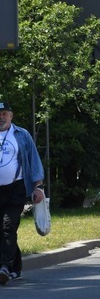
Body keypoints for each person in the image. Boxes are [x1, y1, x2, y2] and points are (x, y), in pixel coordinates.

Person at [0, 101, 45, 284]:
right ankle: (16, 267)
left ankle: (3, 267)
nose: (1, 117)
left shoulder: (21, 135)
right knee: (2, 230)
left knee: (8, 226)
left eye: (4, 113)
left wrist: (38, 186)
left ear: (11, 116)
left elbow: (33, 160)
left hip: (15, 189)